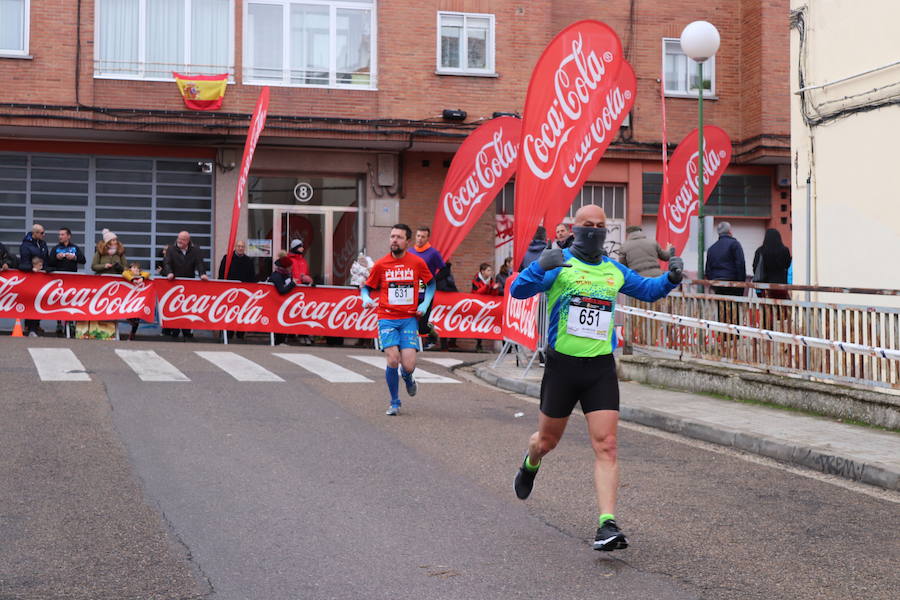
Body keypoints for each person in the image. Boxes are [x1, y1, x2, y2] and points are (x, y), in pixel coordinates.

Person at [509, 204, 684, 552]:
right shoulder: (559, 265)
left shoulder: (613, 270)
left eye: (600, 225)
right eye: (587, 224)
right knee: (546, 441)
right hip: (562, 368)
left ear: (606, 231)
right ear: (575, 227)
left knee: (607, 444)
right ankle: (530, 463)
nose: (593, 230)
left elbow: (648, 290)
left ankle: (607, 524)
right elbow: (518, 291)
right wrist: (537, 267)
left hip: (600, 369)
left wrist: (671, 279)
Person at [360, 223, 435, 416]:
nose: (394, 240)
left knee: (408, 365)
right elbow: (366, 287)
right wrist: (366, 298)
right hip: (387, 318)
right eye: (392, 236)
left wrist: (424, 305)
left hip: (409, 319)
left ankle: (408, 377)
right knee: (393, 360)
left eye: (399, 237)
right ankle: (394, 402)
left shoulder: (417, 263)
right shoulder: (381, 264)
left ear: (407, 241)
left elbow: (431, 284)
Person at [164, 230, 208, 339]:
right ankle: (174, 331)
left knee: (187, 308)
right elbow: (167, 263)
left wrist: (202, 274)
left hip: (189, 283)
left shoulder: (195, 250)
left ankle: (187, 331)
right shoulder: (171, 249)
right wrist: (169, 273)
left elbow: (200, 263)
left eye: (182, 239)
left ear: (188, 241)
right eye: (179, 238)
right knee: (174, 308)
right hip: (174, 284)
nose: (179, 241)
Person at [409, 226, 445, 350]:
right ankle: (409, 346)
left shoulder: (433, 253)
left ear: (427, 238)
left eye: (423, 237)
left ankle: (431, 331)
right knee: (408, 321)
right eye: (418, 236)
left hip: (426, 293)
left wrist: (431, 281)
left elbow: (445, 270)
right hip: (410, 292)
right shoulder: (409, 252)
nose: (419, 239)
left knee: (422, 326)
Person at [48, 227, 87, 335]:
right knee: (58, 300)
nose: (60, 236)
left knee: (71, 300)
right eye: (59, 235)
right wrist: (56, 257)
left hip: (71, 279)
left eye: (62, 234)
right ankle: (59, 323)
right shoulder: (55, 248)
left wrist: (74, 257)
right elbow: (49, 263)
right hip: (59, 279)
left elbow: (83, 260)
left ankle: (71, 322)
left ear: (68, 236)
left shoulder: (74, 248)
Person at [218, 240, 257, 340]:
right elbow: (221, 274)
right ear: (235, 247)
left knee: (242, 312)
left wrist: (251, 290)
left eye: (242, 247)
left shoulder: (249, 260)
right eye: (239, 246)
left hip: (244, 292)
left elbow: (252, 277)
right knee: (230, 312)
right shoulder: (227, 258)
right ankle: (229, 333)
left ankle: (240, 334)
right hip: (230, 292)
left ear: (245, 248)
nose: (240, 248)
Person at [19, 224, 50, 336]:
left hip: (42, 278)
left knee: (41, 301)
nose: (44, 235)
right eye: (42, 233)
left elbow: (46, 258)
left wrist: (48, 269)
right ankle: (31, 328)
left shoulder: (43, 244)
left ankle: (36, 324)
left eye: (44, 232)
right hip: (31, 278)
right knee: (32, 301)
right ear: (35, 233)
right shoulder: (25, 245)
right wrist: (32, 268)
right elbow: (23, 264)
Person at [705, 221, 746, 296]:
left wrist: (713, 281)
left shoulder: (711, 248)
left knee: (720, 305)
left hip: (716, 284)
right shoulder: (735, 244)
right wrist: (741, 284)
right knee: (732, 306)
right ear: (730, 231)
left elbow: (708, 270)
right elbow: (740, 265)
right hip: (732, 284)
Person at [752, 229, 792, 300]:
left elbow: (755, 267)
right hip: (780, 286)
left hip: (764, 286)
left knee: (765, 308)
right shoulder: (785, 250)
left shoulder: (760, 251)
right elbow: (787, 265)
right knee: (781, 308)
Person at [268, 256, 298, 346]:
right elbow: (281, 290)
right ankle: (278, 341)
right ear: (285, 267)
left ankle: (281, 340)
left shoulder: (286, 275)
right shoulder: (277, 275)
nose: (291, 268)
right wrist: (293, 284)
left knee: (283, 319)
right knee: (278, 320)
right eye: (290, 267)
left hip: (282, 303)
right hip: (274, 303)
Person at [472, 262, 501, 351]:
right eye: (488, 270)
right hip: (478, 305)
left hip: (487, 305)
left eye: (491, 270)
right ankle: (478, 344)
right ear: (482, 271)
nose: (490, 272)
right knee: (478, 323)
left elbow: (493, 294)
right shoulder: (476, 280)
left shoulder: (491, 280)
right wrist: (487, 286)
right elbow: (477, 293)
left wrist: (494, 289)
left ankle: (480, 344)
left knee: (484, 323)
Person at [122, 263, 151, 340]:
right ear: (130, 269)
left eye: (137, 268)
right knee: (129, 316)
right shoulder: (127, 273)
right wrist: (133, 279)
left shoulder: (141, 274)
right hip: (128, 299)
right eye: (134, 267)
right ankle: (132, 333)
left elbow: (147, 273)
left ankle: (132, 334)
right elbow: (124, 273)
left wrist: (141, 277)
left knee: (136, 319)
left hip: (138, 299)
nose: (136, 269)